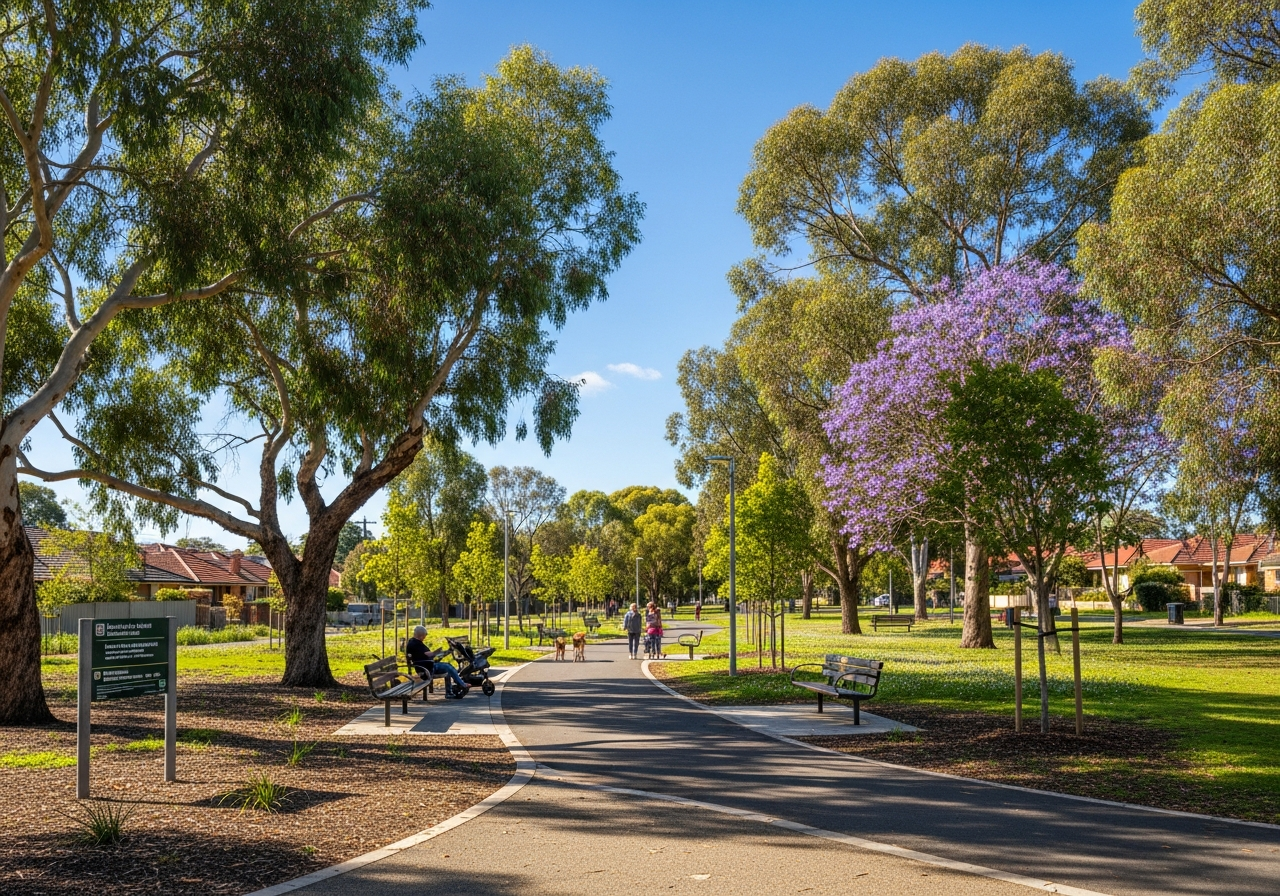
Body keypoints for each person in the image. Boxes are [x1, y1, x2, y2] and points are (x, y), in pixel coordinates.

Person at [405, 626, 470, 697]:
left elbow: (423, 655)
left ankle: (449, 693)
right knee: (448, 667)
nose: (425, 637)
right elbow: (428, 654)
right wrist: (436, 653)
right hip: (426, 670)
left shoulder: (414, 642)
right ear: (421, 635)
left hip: (427, 666)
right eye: (424, 636)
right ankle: (462, 684)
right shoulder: (415, 644)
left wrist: (438, 654)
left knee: (447, 669)